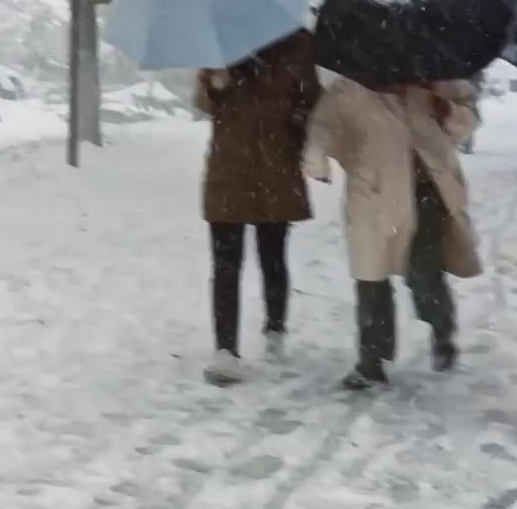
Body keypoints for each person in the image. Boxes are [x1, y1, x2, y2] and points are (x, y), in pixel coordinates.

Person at [303, 74, 483, 390]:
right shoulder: (348, 88)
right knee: (372, 278)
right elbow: (324, 126)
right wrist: (317, 155)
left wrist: (444, 106)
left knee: (424, 275)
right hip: (373, 194)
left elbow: (467, 121)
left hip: (426, 194)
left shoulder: (433, 76)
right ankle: (372, 361)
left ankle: (442, 328)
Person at [194, 30, 322, 387]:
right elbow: (204, 104)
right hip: (229, 170)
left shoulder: (298, 45)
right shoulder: (219, 43)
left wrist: (294, 117)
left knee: (272, 256)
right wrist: (215, 84)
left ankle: (275, 327)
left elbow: (313, 103)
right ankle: (225, 350)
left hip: (275, 168)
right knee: (225, 263)